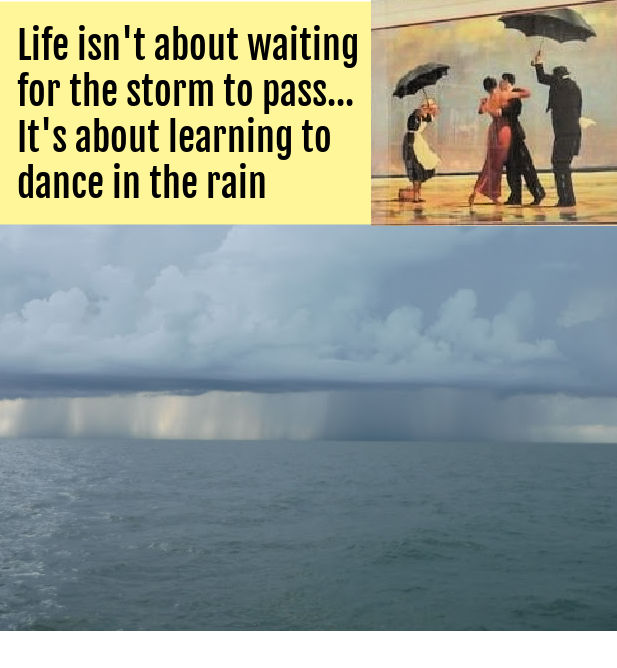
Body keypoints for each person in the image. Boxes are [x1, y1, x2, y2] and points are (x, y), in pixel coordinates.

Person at [469, 77, 530, 206]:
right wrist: (512, 88)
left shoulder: (486, 100)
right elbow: (527, 93)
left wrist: (487, 107)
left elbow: (481, 111)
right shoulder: (504, 95)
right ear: (496, 84)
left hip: (493, 132)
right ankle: (494, 195)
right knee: (499, 164)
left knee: (490, 163)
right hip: (504, 131)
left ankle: (478, 189)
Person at [533, 52, 582, 207]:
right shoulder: (575, 87)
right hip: (573, 132)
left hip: (563, 134)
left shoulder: (560, 83)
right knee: (564, 166)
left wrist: (539, 63)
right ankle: (569, 198)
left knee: (558, 165)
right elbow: (579, 110)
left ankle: (564, 199)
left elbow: (542, 78)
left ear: (558, 76)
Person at [500, 72, 545, 206]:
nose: (500, 83)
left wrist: (502, 111)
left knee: (525, 166)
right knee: (511, 168)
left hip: (515, 135)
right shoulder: (504, 95)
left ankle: (537, 192)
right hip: (507, 135)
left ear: (508, 82)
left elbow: (515, 111)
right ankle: (515, 196)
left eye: (502, 81)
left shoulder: (514, 94)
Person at [403, 98, 440, 203]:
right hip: (412, 143)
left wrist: (432, 109)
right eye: (426, 108)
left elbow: (433, 115)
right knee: (416, 169)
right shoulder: (414, 116)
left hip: (418, 143)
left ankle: (418, 196)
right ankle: (415, 197)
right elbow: (413, 127)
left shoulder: (424, 117)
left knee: (420, 169)